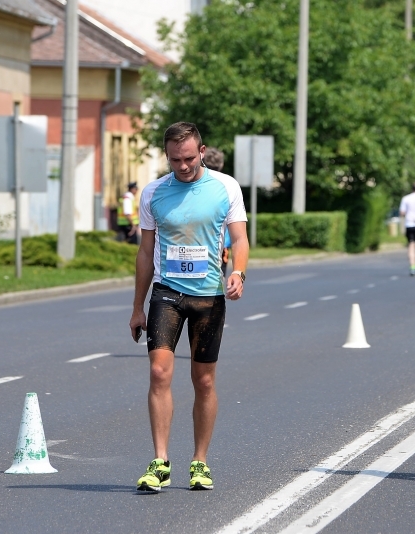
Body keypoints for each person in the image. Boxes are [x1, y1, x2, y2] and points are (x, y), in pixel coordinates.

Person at [130, 122, 249, 493]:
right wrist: (137, 307)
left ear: (201, 151)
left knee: (204, 381)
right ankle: (160, 462)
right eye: (174, 160)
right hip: (167, 292)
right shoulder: (153, 193)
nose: (182, 166)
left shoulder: (226, 187)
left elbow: (240, 238)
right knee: (158, 373)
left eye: (188, 158)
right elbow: (145, 252)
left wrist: (239, 272)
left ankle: (200, 462)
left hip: (208, 296)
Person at [203, 147, 231, 274]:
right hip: (222, 244)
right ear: (222, 164)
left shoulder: (193, 186)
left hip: (197, 243)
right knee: (219, 277)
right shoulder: (229, 186)